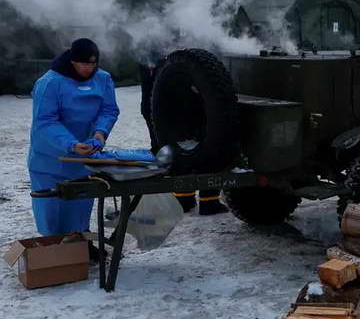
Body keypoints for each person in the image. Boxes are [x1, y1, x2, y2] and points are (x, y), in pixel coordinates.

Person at [28, 38, 120, 258]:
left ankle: (81, 243)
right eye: (84, 64)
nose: (89, 69)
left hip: (85, 157)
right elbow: (45, 121)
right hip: (50, 158)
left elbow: (109, 110)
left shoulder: (103, 79)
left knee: (80, 203)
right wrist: (70, 144)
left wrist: (100, 133)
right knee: (51, 208)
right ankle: (54, 248)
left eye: (93, 64)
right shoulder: (50, 83)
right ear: (72, 61)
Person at [139, 52, 229, 216]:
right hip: (184, 107)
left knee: (178, 151)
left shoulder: (156, 56)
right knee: (212, 144)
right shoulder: (172, 58)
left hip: (164, 112)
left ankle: (185, 200)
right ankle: (206, 201)